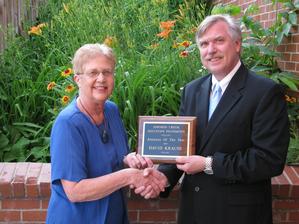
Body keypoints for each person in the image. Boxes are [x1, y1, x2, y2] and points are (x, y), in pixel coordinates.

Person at [151, 14, 289, 224]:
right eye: (204, 44)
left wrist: (209, 164)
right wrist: (163, 178)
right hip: (193, 211)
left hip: (237, 214)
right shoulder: (192, 90)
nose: (210, 50)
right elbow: (182, 145)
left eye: (218, 41)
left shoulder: (265, 92)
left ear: (237, 44)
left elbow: (269, 160)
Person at [46, 43, 167, 224]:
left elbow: (116, 158)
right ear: (77, 79)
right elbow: (75, 191)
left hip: (114, 215)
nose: (101, 78)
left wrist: (129, 160)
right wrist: (129, 176)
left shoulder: (111, 110)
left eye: (107, 72)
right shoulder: (68, 124)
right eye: (93, 73)